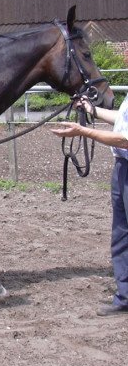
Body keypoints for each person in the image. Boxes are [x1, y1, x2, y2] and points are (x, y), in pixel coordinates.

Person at [52, 96, 128, 316]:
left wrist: (84, 132)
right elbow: (121, 119)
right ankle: (125, 296)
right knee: (121, 236)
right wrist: (92, 109)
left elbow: (124, 139)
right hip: (122, 167)